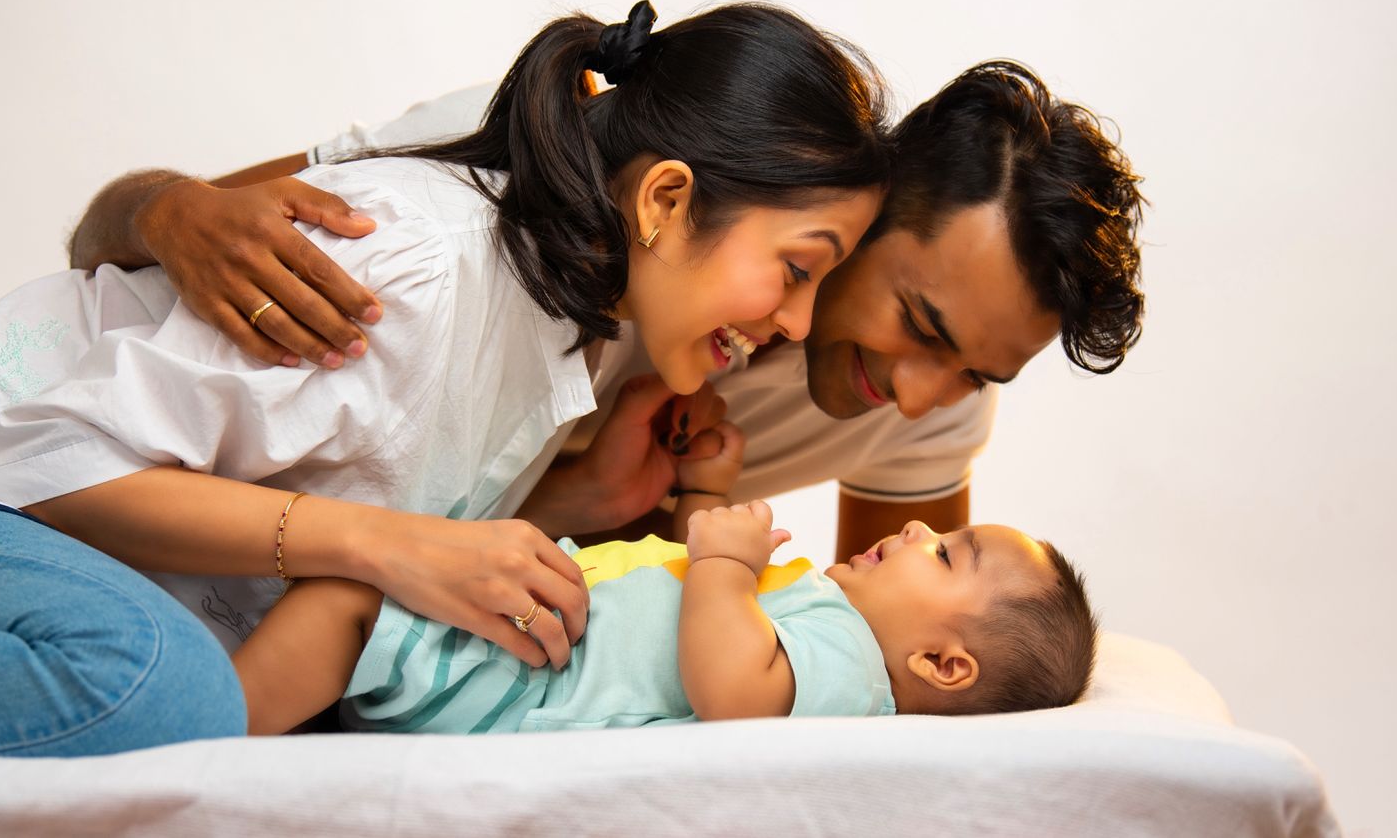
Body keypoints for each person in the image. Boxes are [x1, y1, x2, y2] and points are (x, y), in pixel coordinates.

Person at [0, 0, 890, 752]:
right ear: (665, 200)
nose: (795, 323)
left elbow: (349, 478)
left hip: (11, 557)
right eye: (796, 271)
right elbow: (48, 460)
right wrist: (388, 545)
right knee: (158, 683)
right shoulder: (420, 257)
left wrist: (581, 502)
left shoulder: (569, 327)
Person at [70, 61, 1147, 561]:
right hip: (114, 489)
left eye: (976, 374)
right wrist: (164, 209)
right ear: (861, 213)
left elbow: (893, 628)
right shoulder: (558, 180)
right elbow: (111, 248)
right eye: (923, 327)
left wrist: (603, 505)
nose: (917, 399)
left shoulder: (935, 416)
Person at [231, 426, 1097, 734]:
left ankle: (201, 736)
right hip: (525, 641)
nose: (915, 527)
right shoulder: (820, 619)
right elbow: (688, 596)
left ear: (944, 665)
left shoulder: (852, 671)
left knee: (345, 601)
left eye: (945, 553)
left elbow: (728, 688)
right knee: (350, 602)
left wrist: (725, 563)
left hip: (517, 680)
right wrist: (708, 499)